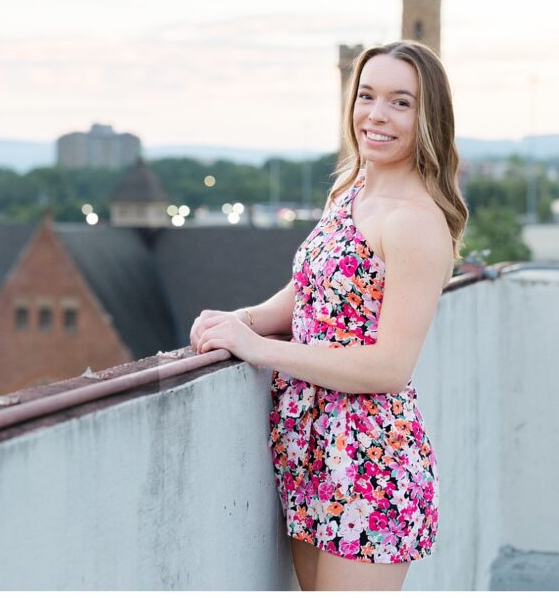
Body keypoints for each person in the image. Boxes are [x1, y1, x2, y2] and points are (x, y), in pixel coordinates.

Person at [190, 40, 468, 591]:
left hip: (370, 461)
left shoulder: (417, 223)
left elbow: (390, 366)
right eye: (366, 96)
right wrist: (243, 319)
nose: (376, 114)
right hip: (310, 444)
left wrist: (260, 349)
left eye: (400, 102)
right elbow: (312, 291)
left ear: (429, 116)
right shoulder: (351, 191)